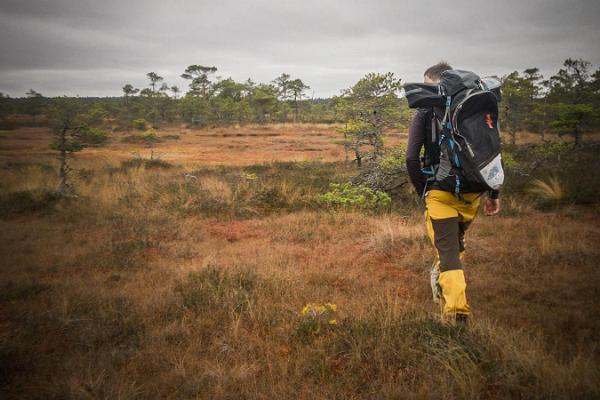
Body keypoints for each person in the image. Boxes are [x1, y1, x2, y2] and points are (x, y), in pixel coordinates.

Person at [405, 61, 501, 325]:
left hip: (440, 192)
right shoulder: (477, 106)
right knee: (454, 246)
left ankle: (456, 313)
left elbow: (412, 159)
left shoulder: (424, 112)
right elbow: (492, 152)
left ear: (435, 82)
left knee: (448, 252)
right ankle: (445, 284)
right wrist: (494, 193)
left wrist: (423, 193)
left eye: (427, 84)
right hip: (473, 192)